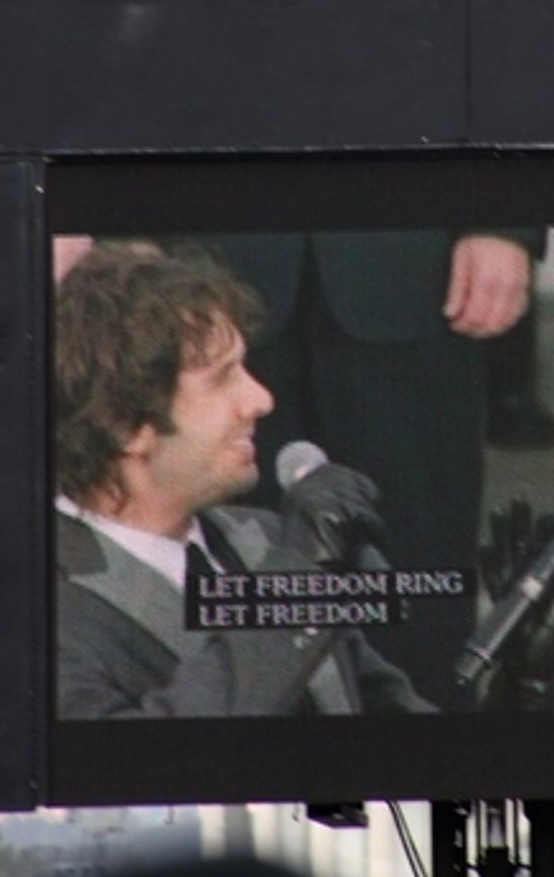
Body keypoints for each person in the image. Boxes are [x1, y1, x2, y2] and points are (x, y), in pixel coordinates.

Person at [53, 242, 433, 719]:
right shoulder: (44, 614)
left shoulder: (263, 538)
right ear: (125, 424)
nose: (261, 399)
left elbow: (388, 709)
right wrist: (299, 580)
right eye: (222, 378)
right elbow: (161, 764)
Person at [211, 228, 537, 708]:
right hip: (212, 272)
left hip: (417, 275)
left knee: (419, 592)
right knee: (231, 581)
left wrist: (502, 222)